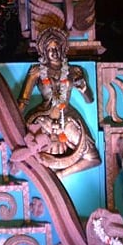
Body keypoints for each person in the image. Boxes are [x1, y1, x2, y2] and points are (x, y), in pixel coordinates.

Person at [15, 27, 101, 177]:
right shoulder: (36, 71)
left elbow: (90, 100)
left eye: (56, 48)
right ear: (44, 52)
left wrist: (83, 87)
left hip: (67, 117)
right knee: (30, 151)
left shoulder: (74, 71)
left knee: (93, 158)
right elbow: (23, 101)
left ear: (62, 50)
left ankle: (61, 174)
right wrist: (14, 120)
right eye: (49, 49)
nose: (54, 52)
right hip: (43, 119)